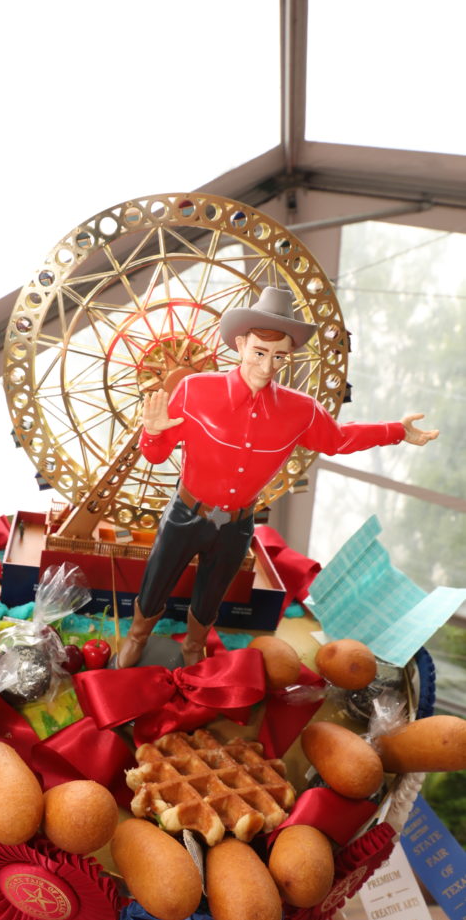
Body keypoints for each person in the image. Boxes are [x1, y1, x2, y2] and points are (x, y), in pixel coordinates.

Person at [117, 286, 439, 668]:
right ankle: (137, 636)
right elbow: (154, 456)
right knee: (157, 580)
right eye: (259, 353)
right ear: (240, 344)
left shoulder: (301, 410)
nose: (267, 366)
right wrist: (152, 431)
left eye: (279, 357)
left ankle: (193, 649)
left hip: (237, 525)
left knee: (212, 594)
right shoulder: (194, 390)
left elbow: (338, 440)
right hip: (185, 514)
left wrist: (396, 431)